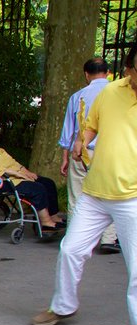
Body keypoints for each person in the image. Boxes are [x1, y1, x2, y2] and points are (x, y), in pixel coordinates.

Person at [32, 42, 137, 325]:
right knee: (70, 249)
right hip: (95, 191)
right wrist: (80, 141)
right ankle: (63, 307)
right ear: (129, 68)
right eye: (136, 73)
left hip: (132, 196)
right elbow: (91, 126)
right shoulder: (109, 92)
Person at [58, 57, 115, 253]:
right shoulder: (117, 95)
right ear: (108, 72)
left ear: (86, 75)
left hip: (81, 152)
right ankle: (108, 238)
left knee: (77, 196)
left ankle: (75, 238)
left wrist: (64, 158)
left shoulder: (78, 97)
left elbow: (68, 132)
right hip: (110, 154)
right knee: (110, 195)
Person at [0, 125, 66, 232]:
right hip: (4, 181)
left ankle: (52, 215)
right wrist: (18, 174)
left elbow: (15, 163)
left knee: (48, 183)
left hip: (17, 177)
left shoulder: (0, 151)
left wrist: (27, 172)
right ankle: (45, 222)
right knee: (37, 188)